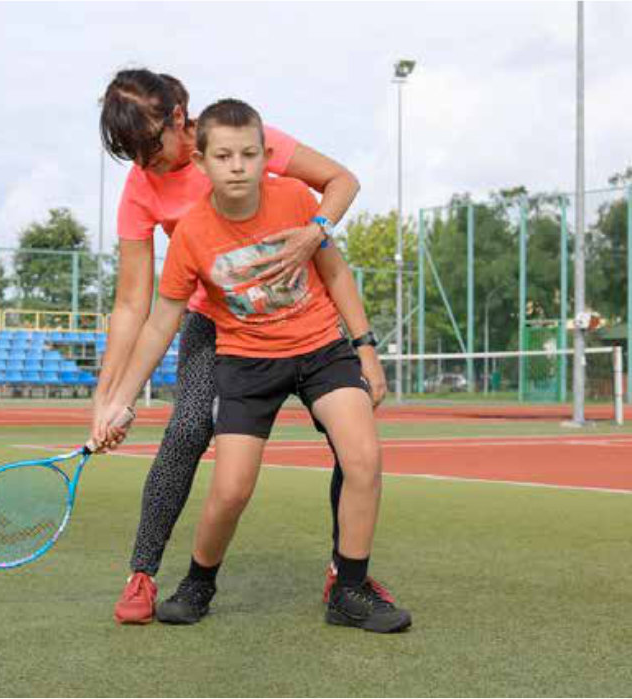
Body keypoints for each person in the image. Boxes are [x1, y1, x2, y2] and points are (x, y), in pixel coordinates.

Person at [95, 98, 411, 633]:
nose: (236, 165)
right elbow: (148, 315)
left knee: (361, 455)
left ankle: (349, 583)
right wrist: (115, 399)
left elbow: (336, 254)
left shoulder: (287, 192)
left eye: (247, 155)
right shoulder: (187, 228)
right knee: (218, 467)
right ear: (204, 162)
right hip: (238, 346)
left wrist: (365, 346)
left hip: (316, 345)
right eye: (223, 156)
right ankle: (176, 577)